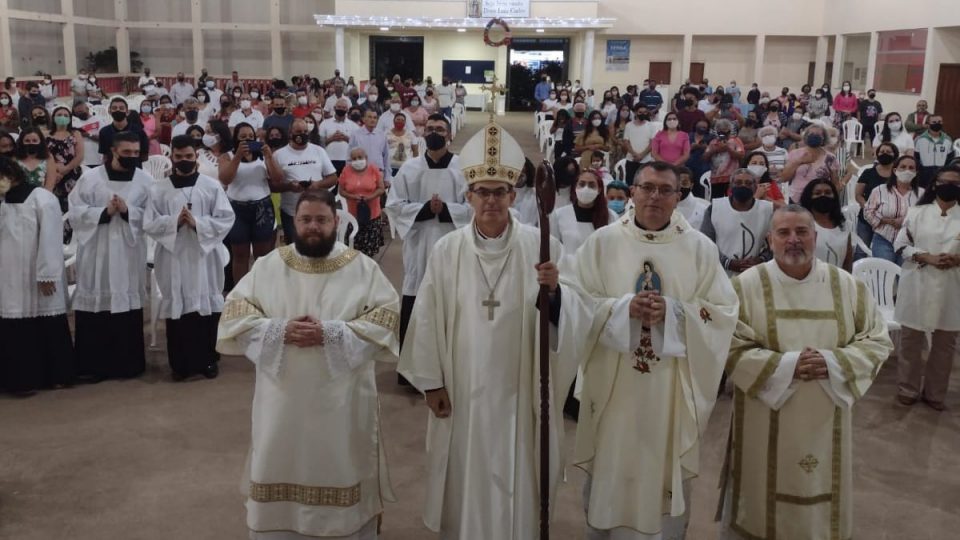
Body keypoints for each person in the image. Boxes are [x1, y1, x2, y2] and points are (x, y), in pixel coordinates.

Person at [397, 120, 590, 539]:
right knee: (464, 470)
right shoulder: (448, 250)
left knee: (518, 470)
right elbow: (426, 315)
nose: (490, 201)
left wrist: (555, 293)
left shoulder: (543, 248)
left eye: (499, 191)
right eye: (481, 192)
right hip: (461, 387)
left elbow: (575, 318)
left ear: (512, 195)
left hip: (521, 391)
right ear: (467, 196)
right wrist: (430, 382)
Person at [566, 161, 738, 540]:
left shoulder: (699, 248)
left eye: (665, 190)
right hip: (613, 383)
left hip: (669, 389)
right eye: (647, 188)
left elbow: (724, 313)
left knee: (660, 470)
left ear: (679, 197)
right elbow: (575, 303)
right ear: (632, 193)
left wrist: (675, 313)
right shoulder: (603, 242)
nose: (655, 197)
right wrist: (621, 309)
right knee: (613, 464)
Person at [217, 189, 400, 540]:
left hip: (342, 399)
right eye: (305, 220)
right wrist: (279, 329)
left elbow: (386, 319)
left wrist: (331, 334)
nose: (313, 227)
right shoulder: (270, 265)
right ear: (293, 223)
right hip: (281, 400)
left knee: (341, 460)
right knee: (278, 457)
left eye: (321, 219)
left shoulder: (362, 268)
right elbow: (235, 312)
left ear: (336, 222)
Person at [720, 204, 893, 540]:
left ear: (816, 236)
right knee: (759, 499)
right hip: (764, 413)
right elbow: (728, 345)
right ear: (769, 239)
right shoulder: (745, 286)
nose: (793, 240)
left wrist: (831, 362)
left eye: (802, 232)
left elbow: (877, 341)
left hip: (826, 415)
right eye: (783, 232)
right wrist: (788, 366)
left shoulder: (848, 286)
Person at [143, 135, 235, 381]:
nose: (183, 161)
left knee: (206, 309)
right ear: (171, 157)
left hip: (204, 257)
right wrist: (174, 221)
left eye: (188, 156)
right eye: (178, 157)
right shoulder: (158, 188)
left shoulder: (211, 185)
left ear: (196, 157)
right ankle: (180, 365)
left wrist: (198, 223)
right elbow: (149, 223)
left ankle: (208, 361)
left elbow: (226, 218)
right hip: (174, 258)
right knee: (179, 308)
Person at [68, 131, 152, 380]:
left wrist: (128, 211)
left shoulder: (145, 181)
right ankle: (93, 367)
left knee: (125, 305)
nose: (132, 157)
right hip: (97, 252)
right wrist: (103, 212)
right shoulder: (91, 178)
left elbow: (153, 216)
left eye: (136, 153)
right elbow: (74, 212)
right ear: (113, 151)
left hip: (128, 252)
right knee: (96, 305)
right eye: (127, 152)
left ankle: (127, 365)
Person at [384, 114, 471, 353]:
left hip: (454, 243)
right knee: (416, 293)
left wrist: (445, 209)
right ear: (423, 134)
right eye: (430, 128)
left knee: (452, 296)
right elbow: (393, 205)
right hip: (419, 243)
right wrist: (424, 209)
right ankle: (413, 368)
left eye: (440, 129)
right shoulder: (409, 168)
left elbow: (474, 208)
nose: (435, 133)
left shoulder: (463, 167)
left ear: (449, 134)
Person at [0, 157, 75, 395]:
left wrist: (47, 275)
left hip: (38, 275)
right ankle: (19, 379)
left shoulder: (42, 198)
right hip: (9, 276)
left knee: (46, 323)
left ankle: (55, 375)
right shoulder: (2, 202)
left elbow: (52, 239)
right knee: (14, 326)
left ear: (11, 174)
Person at [893, 164, 960, 410]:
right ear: (934, 184)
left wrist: (957, 259)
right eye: (945, 182)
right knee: (911, 340)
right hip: (918, 282)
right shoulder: (916, 213)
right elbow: (900, 246)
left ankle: (935, 394)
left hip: (952, 286)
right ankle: (907, 389)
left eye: (956, 183)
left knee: (944, 344)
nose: (950, 186)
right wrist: (926, 257)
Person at [219, 122, 283, 284]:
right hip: (237, 210)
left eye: (250, 137)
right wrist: (238, 156)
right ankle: (241, 293)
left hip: (262, 208)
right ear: (236, 140)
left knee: (262, 255)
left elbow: (277, 178)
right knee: (240, 255)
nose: (247, 140)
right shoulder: (227, 156)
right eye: (242, 137)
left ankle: (261, 291)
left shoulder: (264, 155)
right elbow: (225, 179)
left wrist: (269, 157)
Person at [274, 118, 338, 243]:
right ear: (290, 133)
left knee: (318, 247)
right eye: (298, 131)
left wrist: (318, 184)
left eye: (305, 131)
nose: (302, 134)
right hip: (291, 212)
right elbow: (272, 185)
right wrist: (289, 187)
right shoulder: (278, 155)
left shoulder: (318, 151)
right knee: (295, 249)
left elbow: (333, 178)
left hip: (318, 209)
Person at [701, 168, 774, 276]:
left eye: (748, 183)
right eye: (738, 182)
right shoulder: (715, 208)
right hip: (720, 273)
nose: (743, 186)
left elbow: (775, 244)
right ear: (731, 186)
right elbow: (705, 243)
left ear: (755, 187)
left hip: (755, 274)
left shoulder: (768, 210)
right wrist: (727, 263)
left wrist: (761, 259)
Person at [864, 154, 923, 265]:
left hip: (910, 243)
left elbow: (925, 218)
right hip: (883, 239)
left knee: (903, 278)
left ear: (916, 172)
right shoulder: (880, 190)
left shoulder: (922, 194)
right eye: (903, 167)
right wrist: (889, 221)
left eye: (911, 168)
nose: (907, 170)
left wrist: (905, 221)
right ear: (895, 170)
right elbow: (867, 212)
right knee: (885, 277)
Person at [339, 147, 387, 257]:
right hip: (353, 215)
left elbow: (381, 188)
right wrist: (352, 196)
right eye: (354, 159)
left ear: (366, 158)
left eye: (359, 157)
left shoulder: (374, 169)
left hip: (372, 214)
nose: (357, 161)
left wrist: (370, 196)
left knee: (369, 251)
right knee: (353, 248)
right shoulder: (346, 170)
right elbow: (341, 191)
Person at [800, 177, 853, 271]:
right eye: (817, 193)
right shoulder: (801, 225)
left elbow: (848, 260)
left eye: (828, 193)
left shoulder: (844, 225)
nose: (823, 195)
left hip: (837, 281)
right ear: (809, 197)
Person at [781, 123, 839, 203]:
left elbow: (835, 184)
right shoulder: (795, 154)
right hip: (797, 199)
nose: (814, 136)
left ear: (823, 138)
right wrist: (799, 162)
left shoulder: (830, 158)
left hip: (820, 199)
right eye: (811, 134)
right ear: (806, 136)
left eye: (818, 134)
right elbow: (784, 178)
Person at [46, 106, 84, 216]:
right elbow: (44, 155)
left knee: (72, 207)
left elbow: (80, 155)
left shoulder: (75, 134)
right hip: (52, 176)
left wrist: (65, 169)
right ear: (53, 118)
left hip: (72, 174)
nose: (62, 117)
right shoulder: (45, 135)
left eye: (65, 115)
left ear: (70, 118)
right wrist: (54, 172)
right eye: (59, 115)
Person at [704, 119, 746, 199]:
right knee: (716, 202)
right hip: (715, 179)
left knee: (731, 200)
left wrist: (728, 148)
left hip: (731, 178)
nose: (722, 134)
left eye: (725, 132)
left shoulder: (736, 141)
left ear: (730, 131)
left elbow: (741, 155)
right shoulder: (713, 142)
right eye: (720, 132)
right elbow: (704, 158)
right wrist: (714, 150)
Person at [349, 109, 392, 186]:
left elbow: (386, 157)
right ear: (363, 119)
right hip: (361, 173)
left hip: (379, 173)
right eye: (370, 117)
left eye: (375, 118)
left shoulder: (382, 135)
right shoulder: (355, 135)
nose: (373, 120)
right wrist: (350, 175)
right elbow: (349, 157)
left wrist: (387, 178)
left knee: (379, 198)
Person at [319, 98, 357, 176]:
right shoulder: (325, 123)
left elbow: (358, 145)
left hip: (347, 160)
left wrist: (346, 138)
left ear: (347, 109)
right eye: (339, 107)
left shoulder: (354, 126)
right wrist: (331, 139)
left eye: (344, 108)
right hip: (329, 160)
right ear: (334, 108)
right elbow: (320, 144)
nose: (341, 109)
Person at [914, 115, 954, 187]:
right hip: (924, 173)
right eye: (934, 122)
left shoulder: (947, 140)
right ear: (928, 124)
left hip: (941, 172)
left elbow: (950, 158)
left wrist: (945, 170)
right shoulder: (919, 139)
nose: (937, 124)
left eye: (939, 122)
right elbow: (916, 157)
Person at [623, 103, 656, 184]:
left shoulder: (650, 125)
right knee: (630, 183)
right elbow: (626, 142)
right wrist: (634, 154)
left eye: (645, 112)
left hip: (646, 160)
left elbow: (652, 143)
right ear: (635, 112)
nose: (643, 114)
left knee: (645, 183)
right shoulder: (629, 125)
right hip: (631, 159)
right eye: (640, 112)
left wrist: (641, 155)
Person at [686, 119, 713, 196]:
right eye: (700, 126)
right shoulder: (688, 135)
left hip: (703, 166)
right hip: (689, 165)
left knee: (702, 188)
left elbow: (713, 149)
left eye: (704, 127)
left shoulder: (711, 137)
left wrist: (706, 147)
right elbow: (683, 150)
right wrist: (692, 147)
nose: (702, 128)